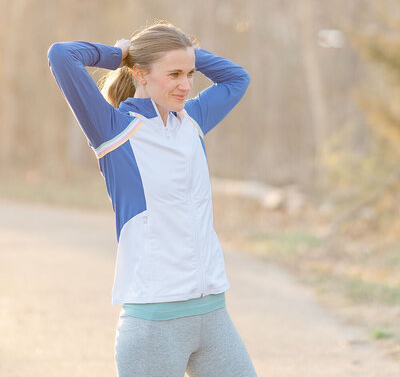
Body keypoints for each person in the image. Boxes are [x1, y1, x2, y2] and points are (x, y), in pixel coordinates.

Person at [47, 21, 257, 377]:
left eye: (190, 73)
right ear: (140, 74)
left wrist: (185, 53)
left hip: (213, 314)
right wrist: (122, 54)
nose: (187, 85)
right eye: (174, 74)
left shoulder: (192, 121)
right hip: (154, 324)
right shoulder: (114, 130)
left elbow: (238, 78)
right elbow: (62, 55)